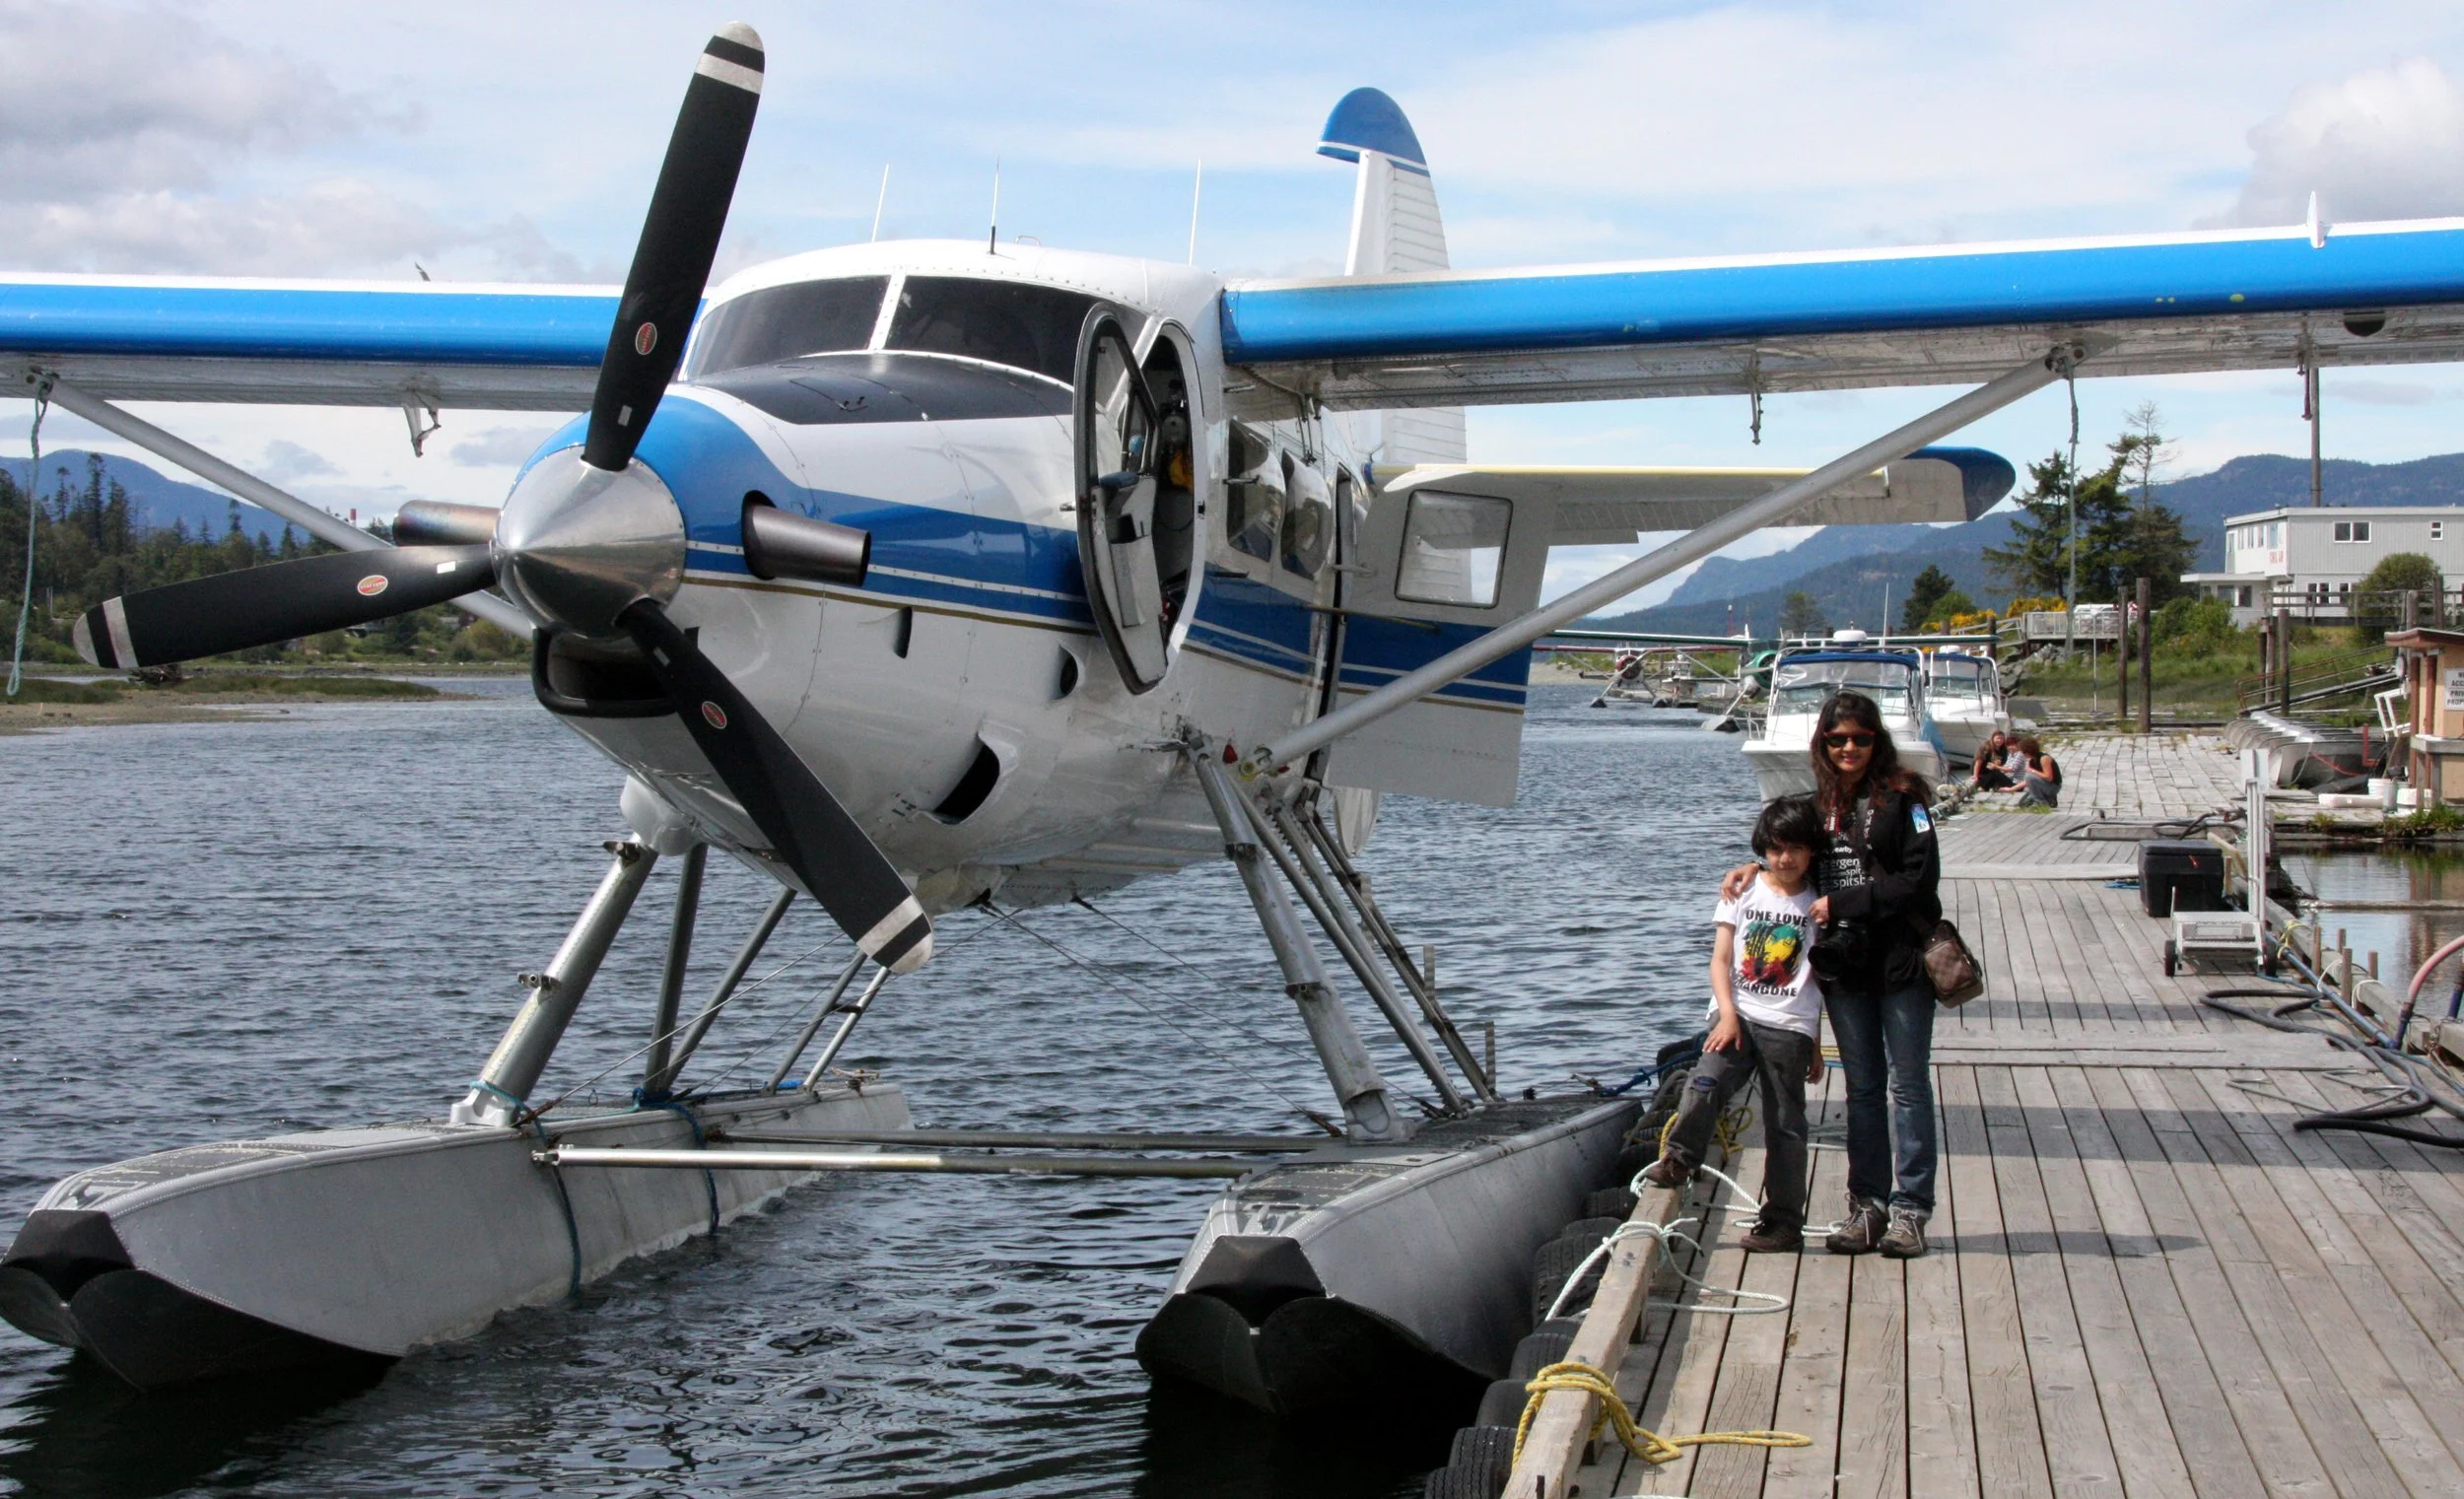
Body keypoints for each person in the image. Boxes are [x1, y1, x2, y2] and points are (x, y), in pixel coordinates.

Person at [1722, 691, 1943, 1259]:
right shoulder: (1817, 807)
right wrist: (1752, 867)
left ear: (1877, 741)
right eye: (1837, 738)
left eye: (1860, 738)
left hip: (1901, 963)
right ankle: (1866, 1207)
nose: (1849, 748)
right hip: (1845, 971)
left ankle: (1911, 1211)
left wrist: (1848, 904)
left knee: (1909, 1086)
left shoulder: (1906, 797)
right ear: (1822, 742)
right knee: (1863, 1089)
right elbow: (1786, 857)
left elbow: (1919, 882)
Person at [1641, 796, 1827, 1253]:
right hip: (1738, 1015)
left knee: (1786, 1123)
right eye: (1776, 848)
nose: (1785, 859)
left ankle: (1783, 1221)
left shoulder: (1817, 903)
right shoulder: (1743, 891)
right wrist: (1726, 1014)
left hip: (1790, 1023)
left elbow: (1817, 975)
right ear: (1763, 847)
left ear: (1811, 852)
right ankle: (1681, 1159)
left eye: (1795, 849)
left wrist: (1817, 1041)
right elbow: (1721, 958)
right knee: (1705, 1082)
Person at [2017, 735, 2062, 809]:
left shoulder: (2044, 758)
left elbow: (2049, 777)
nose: (2023, 754)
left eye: (2023, 752)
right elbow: (2028, 781)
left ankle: (2042, 803)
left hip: (2053, 786)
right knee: (2023, 804)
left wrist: (2032, 771)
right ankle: (2049, 799)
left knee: (2029, 776)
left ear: (2028, 751)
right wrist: (2011, 788)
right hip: (2042, 785)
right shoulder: (2032, 761)